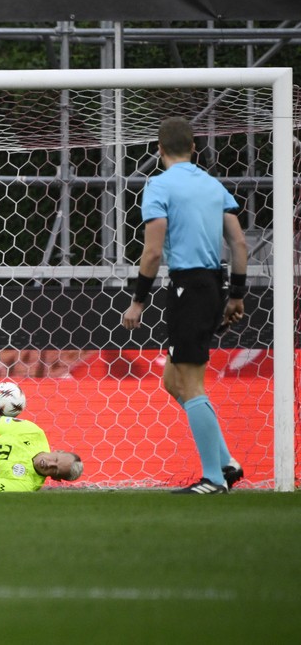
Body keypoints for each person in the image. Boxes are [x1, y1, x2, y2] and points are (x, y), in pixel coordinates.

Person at [121, 116, 247, 495]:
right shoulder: (213, 185)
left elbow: (153, 251)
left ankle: (213, 479)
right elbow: (239, 246)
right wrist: (237, 295)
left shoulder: (158, 186)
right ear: (194, 148)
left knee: (191, 384)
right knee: (172, 380)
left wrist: (137, 301)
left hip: (187, 289)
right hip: (212, 285)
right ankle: (226, 462)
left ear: (159, 150)